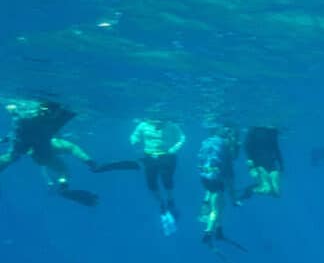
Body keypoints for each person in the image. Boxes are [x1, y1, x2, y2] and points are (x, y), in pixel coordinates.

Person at [1, 100, 136, 207]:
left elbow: (16, 123)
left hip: (40, 145)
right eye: (46, 112)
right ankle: (67, 183)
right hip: (39, 146)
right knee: (62, 166)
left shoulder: (30, 118)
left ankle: (68, 182)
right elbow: (17, 124)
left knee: (14, 157)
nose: (46, 114)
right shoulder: (36, 118)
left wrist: (10, 120)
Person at [197, 125, 246, 258]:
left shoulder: (208, 141)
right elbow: (230, 180)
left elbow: (203, 160)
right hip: (215, 180)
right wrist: (234, 200)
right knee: (217, 208)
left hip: (204, 177)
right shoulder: (225, 148)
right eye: (235, 138)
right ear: (229, 136)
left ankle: (218, 230)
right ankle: (208, 233)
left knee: (217, 202)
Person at [130, 117, 186, 234]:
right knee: (151, 184)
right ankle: (162, 203)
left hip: (167, 156)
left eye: (161, 120)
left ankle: (170, 201)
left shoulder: (172, 125)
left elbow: (181, 138)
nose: (158, 122)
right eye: (155, 120)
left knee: (167, 180)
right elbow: (135, 135)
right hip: (149, 156)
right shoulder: (143, 125)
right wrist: (134, 142)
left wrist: (173, 149)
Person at [239, 126, 283, 202]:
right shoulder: (255, 130)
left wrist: (281, 163)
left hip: (268, 163)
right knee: (270, 189)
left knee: (274, 191)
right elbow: (247, 146)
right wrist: (251, 164)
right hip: (262, 163)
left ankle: (255, 188)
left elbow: (276, 149)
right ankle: (252, 189)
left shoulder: (272, 132)